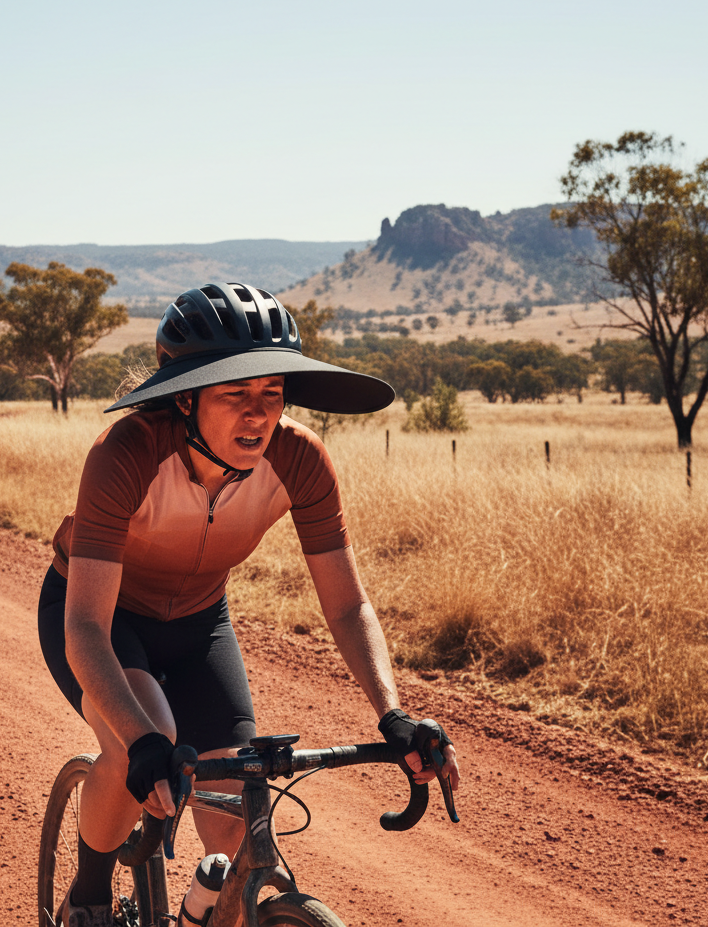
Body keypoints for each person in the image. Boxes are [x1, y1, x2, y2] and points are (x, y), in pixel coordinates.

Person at [38, 281, 461, 927]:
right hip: (102, 619)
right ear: (186, 398)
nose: (258, 415)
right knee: (141, 739)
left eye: (272, 393)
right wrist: (145, 743)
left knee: (233, 819)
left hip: (199, 621)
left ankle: (200, 910)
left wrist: (393, 714)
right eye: (235, 394)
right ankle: (89, 897)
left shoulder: (300, 461)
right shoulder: (126, 454)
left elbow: (347, 608)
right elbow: (87, 627)